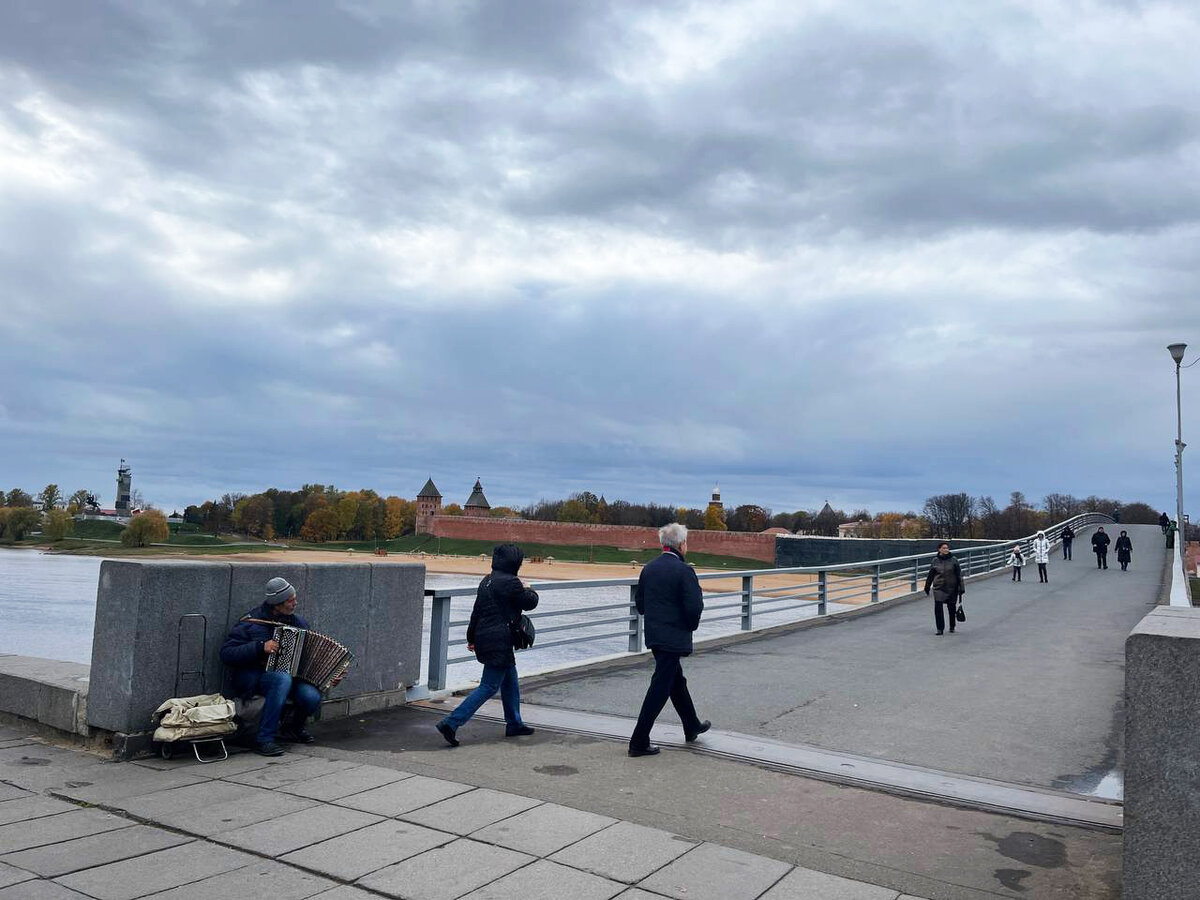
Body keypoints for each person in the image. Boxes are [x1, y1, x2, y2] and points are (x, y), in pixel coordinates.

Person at [436, 544, 538, 747]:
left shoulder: (487, 580)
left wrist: (471, 638)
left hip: (486, 637)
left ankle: (514, 723)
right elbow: (530, 603)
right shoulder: (511, 583)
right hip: (500, 640)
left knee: (510, 681)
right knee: (489, 686)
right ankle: (451, 722)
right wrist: (528, 588)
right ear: (514, 562)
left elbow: (476, 612)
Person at [221, 577, 335, 756]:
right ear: (277, 604)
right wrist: (260, 647)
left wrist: (330, 675)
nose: (295, 603)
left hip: (292, 678)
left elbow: (311, 659)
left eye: (294, 598)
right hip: (256, 677)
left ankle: (293, 728)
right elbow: (227, 654)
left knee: (311, 696)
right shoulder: (250, 622)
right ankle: (264, 738)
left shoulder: (299, 623)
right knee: (281, 678)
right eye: (290, 600)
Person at [628, 523, 710, 757]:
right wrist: (689, 626)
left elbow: (640, 604)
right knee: (661, 685)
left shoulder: (649, 568)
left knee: (675, 680)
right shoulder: (685, 571)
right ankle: (638, 740)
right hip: (674, 636)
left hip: (655, 635)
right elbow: (694, 607)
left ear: (663, 544)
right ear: (682, 545)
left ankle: (691, 724)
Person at [924, 542, 964, 635]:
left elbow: (959, 575)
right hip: (939, 588)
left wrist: (961, 587)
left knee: (951, 608)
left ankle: (952, 626)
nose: (946, 549)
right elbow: (931, 575)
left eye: (947, 548)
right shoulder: (935, 561)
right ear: (939, 549)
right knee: (938, 608)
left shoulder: (954, 560)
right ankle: (940, 629)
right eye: (944, 548)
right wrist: (927, 586)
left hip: (952, 587)